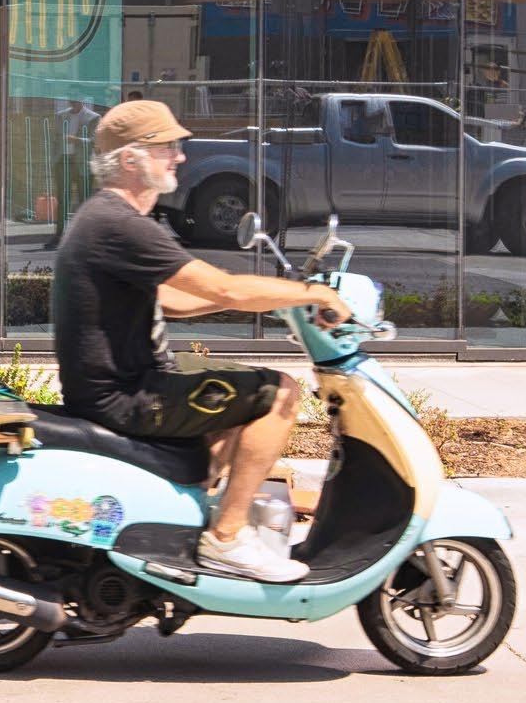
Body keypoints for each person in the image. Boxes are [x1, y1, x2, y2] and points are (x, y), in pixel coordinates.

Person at [52, 98, 353, 584]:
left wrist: (268, 302)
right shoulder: (119, 224)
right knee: (279, 391)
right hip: (126, 396)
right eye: (167, 147)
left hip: (128, 382)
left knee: (234, 390)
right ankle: (227, 537)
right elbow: (224, 287)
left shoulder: (106, 217)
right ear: (130, 159)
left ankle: (193, 517)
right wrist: (310, 293)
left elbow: (171, 300)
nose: (180, 156)